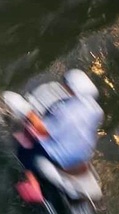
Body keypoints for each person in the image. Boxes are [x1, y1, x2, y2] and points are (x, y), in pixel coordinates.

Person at [14, 69, 103, 200]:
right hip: (83, 155)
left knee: (25, 148)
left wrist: (29, 113)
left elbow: (43, 130)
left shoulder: (65, 111)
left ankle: (32, 183)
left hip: (60, 156)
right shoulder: (96, 111)